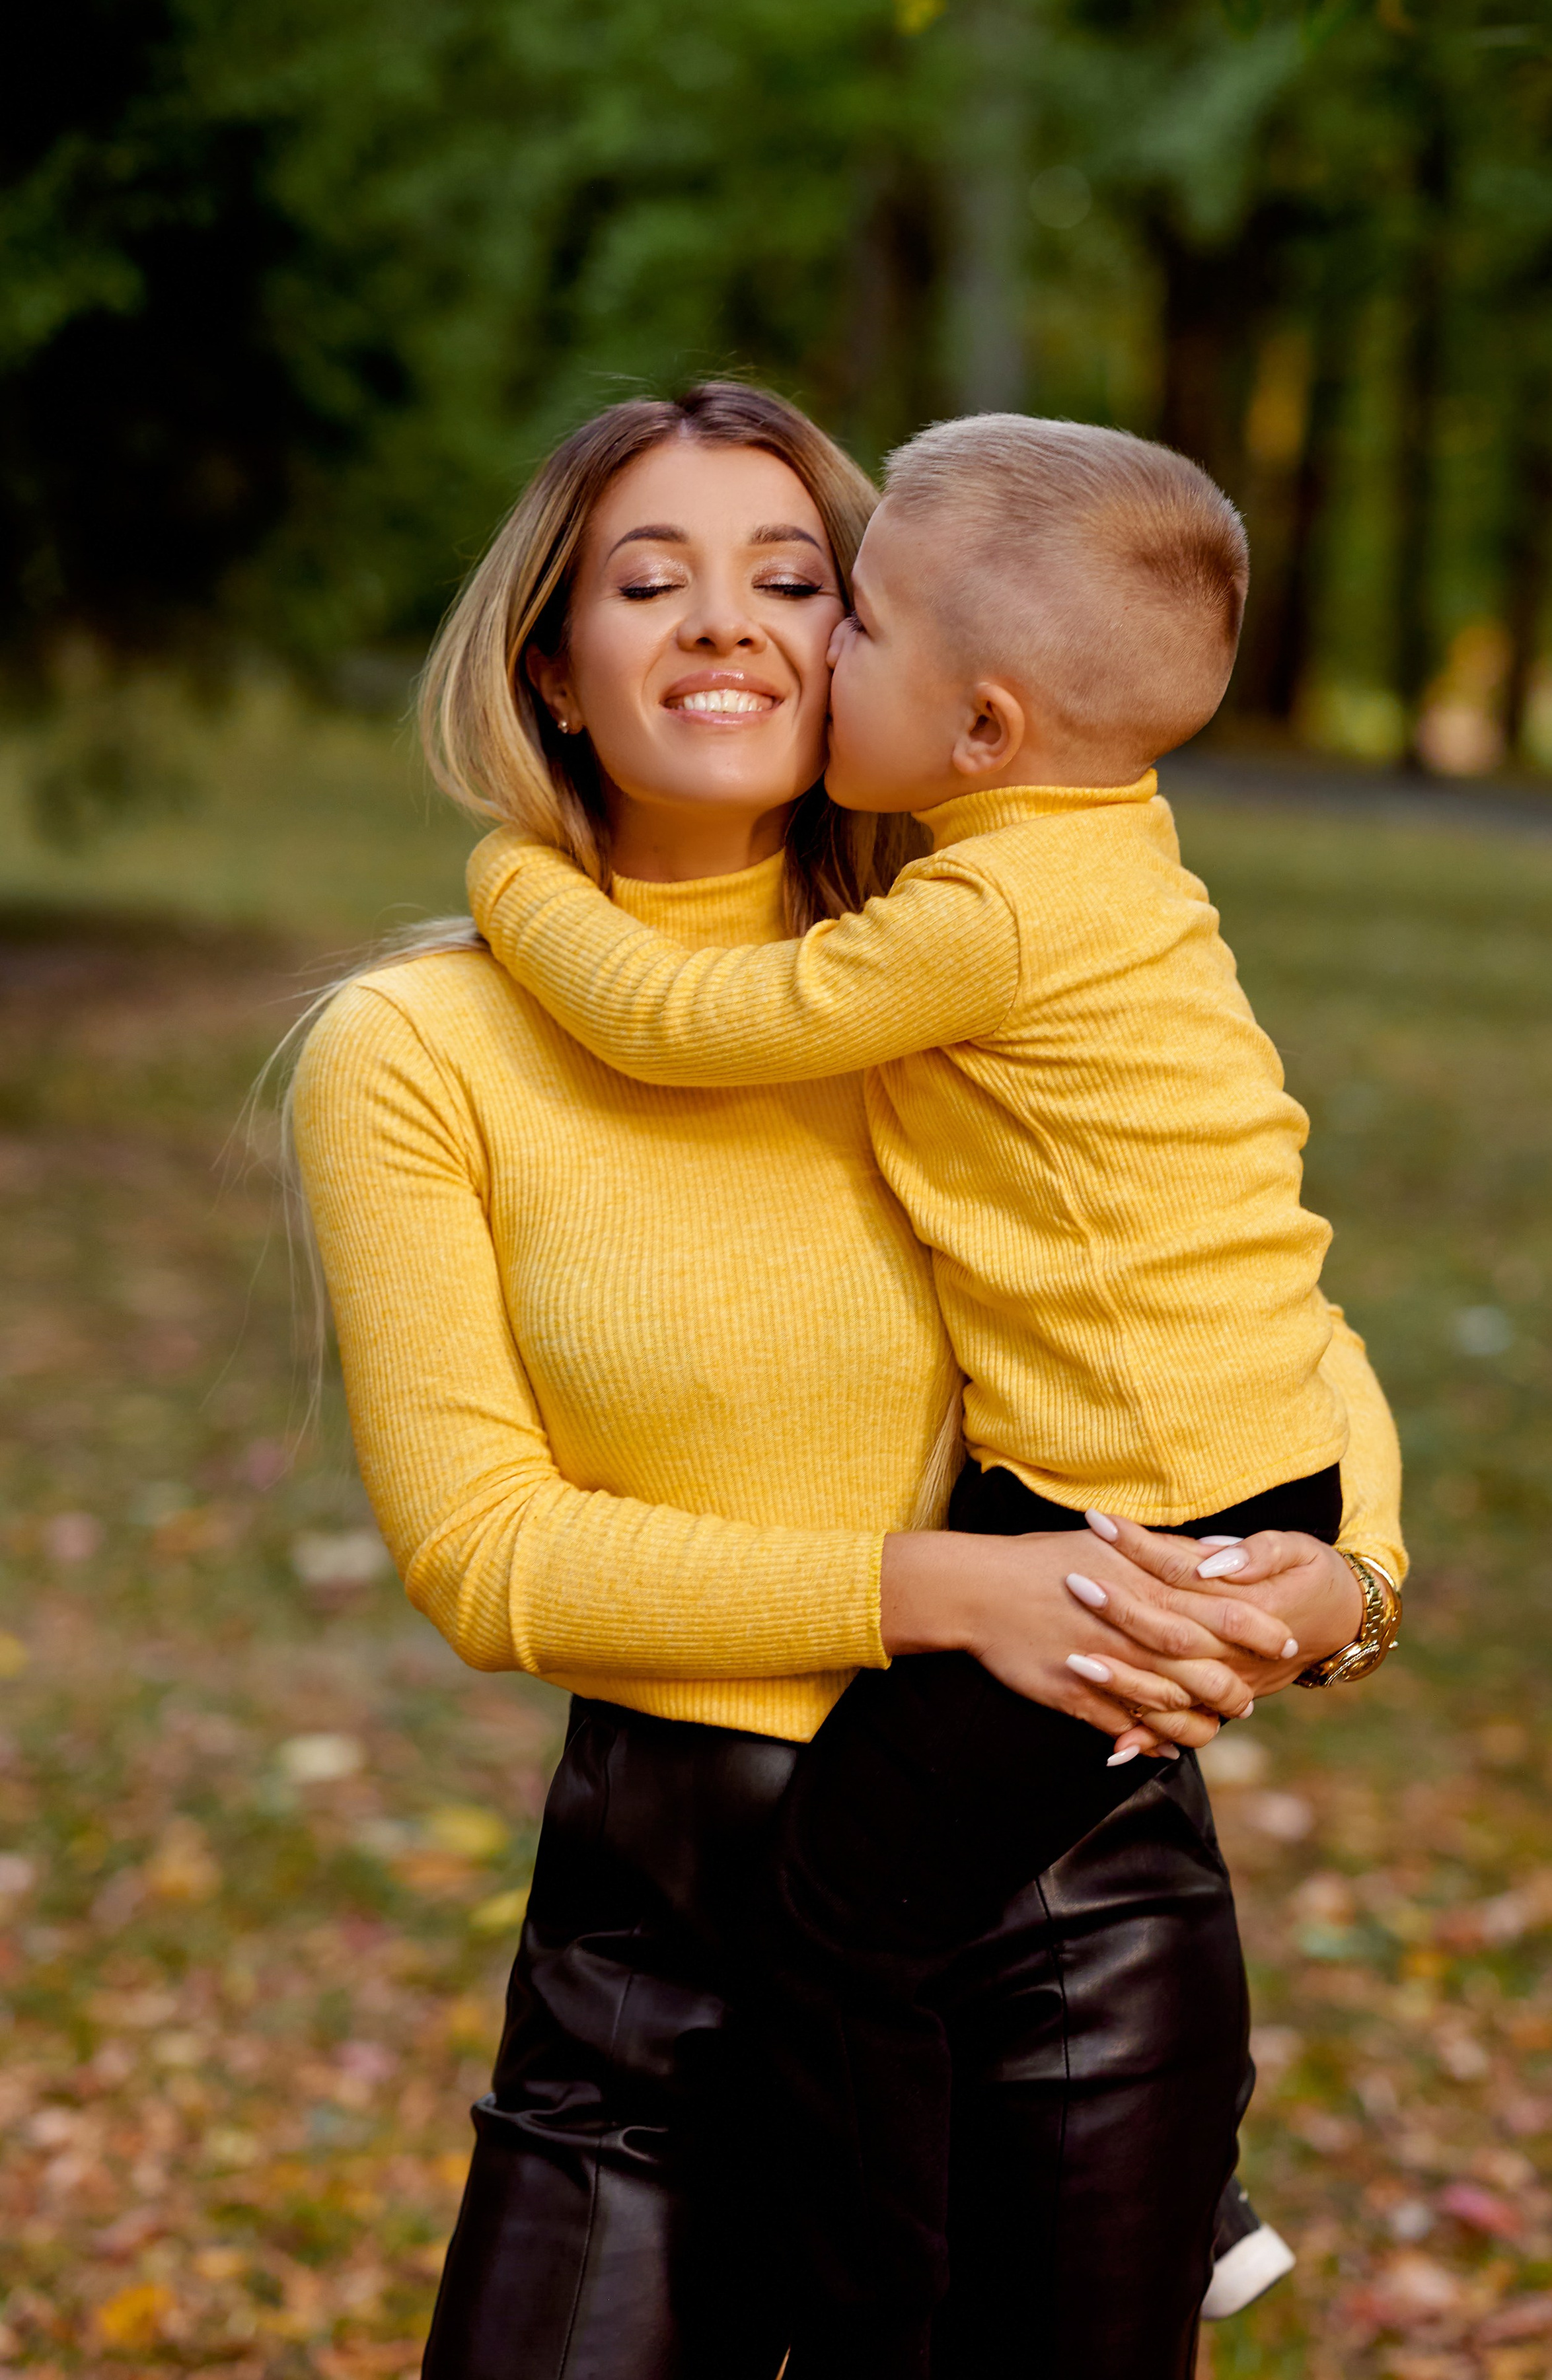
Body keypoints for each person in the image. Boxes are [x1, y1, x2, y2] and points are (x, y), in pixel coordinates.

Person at [291, 383, 1403, 2380]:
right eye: (651, 579)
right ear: (552, 661)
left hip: (1066, 1931)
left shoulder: (971, 962)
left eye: (796, 579)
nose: (726, 623)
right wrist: (945, 1585)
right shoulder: (422, 1048)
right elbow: (488, 1552)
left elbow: (1249, 1306)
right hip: (655, 1954)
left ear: (902, 658)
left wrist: (1339, 1587)